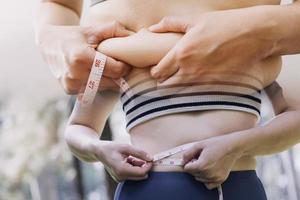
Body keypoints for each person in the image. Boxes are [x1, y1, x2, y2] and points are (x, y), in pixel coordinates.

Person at [35, 0, 300, 199]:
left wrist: (237, 146)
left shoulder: (262, 40)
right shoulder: (113, 52)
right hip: (145, 190)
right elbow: (79, 127)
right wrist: (100, 150)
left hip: (236, 188)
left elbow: (295, 116)